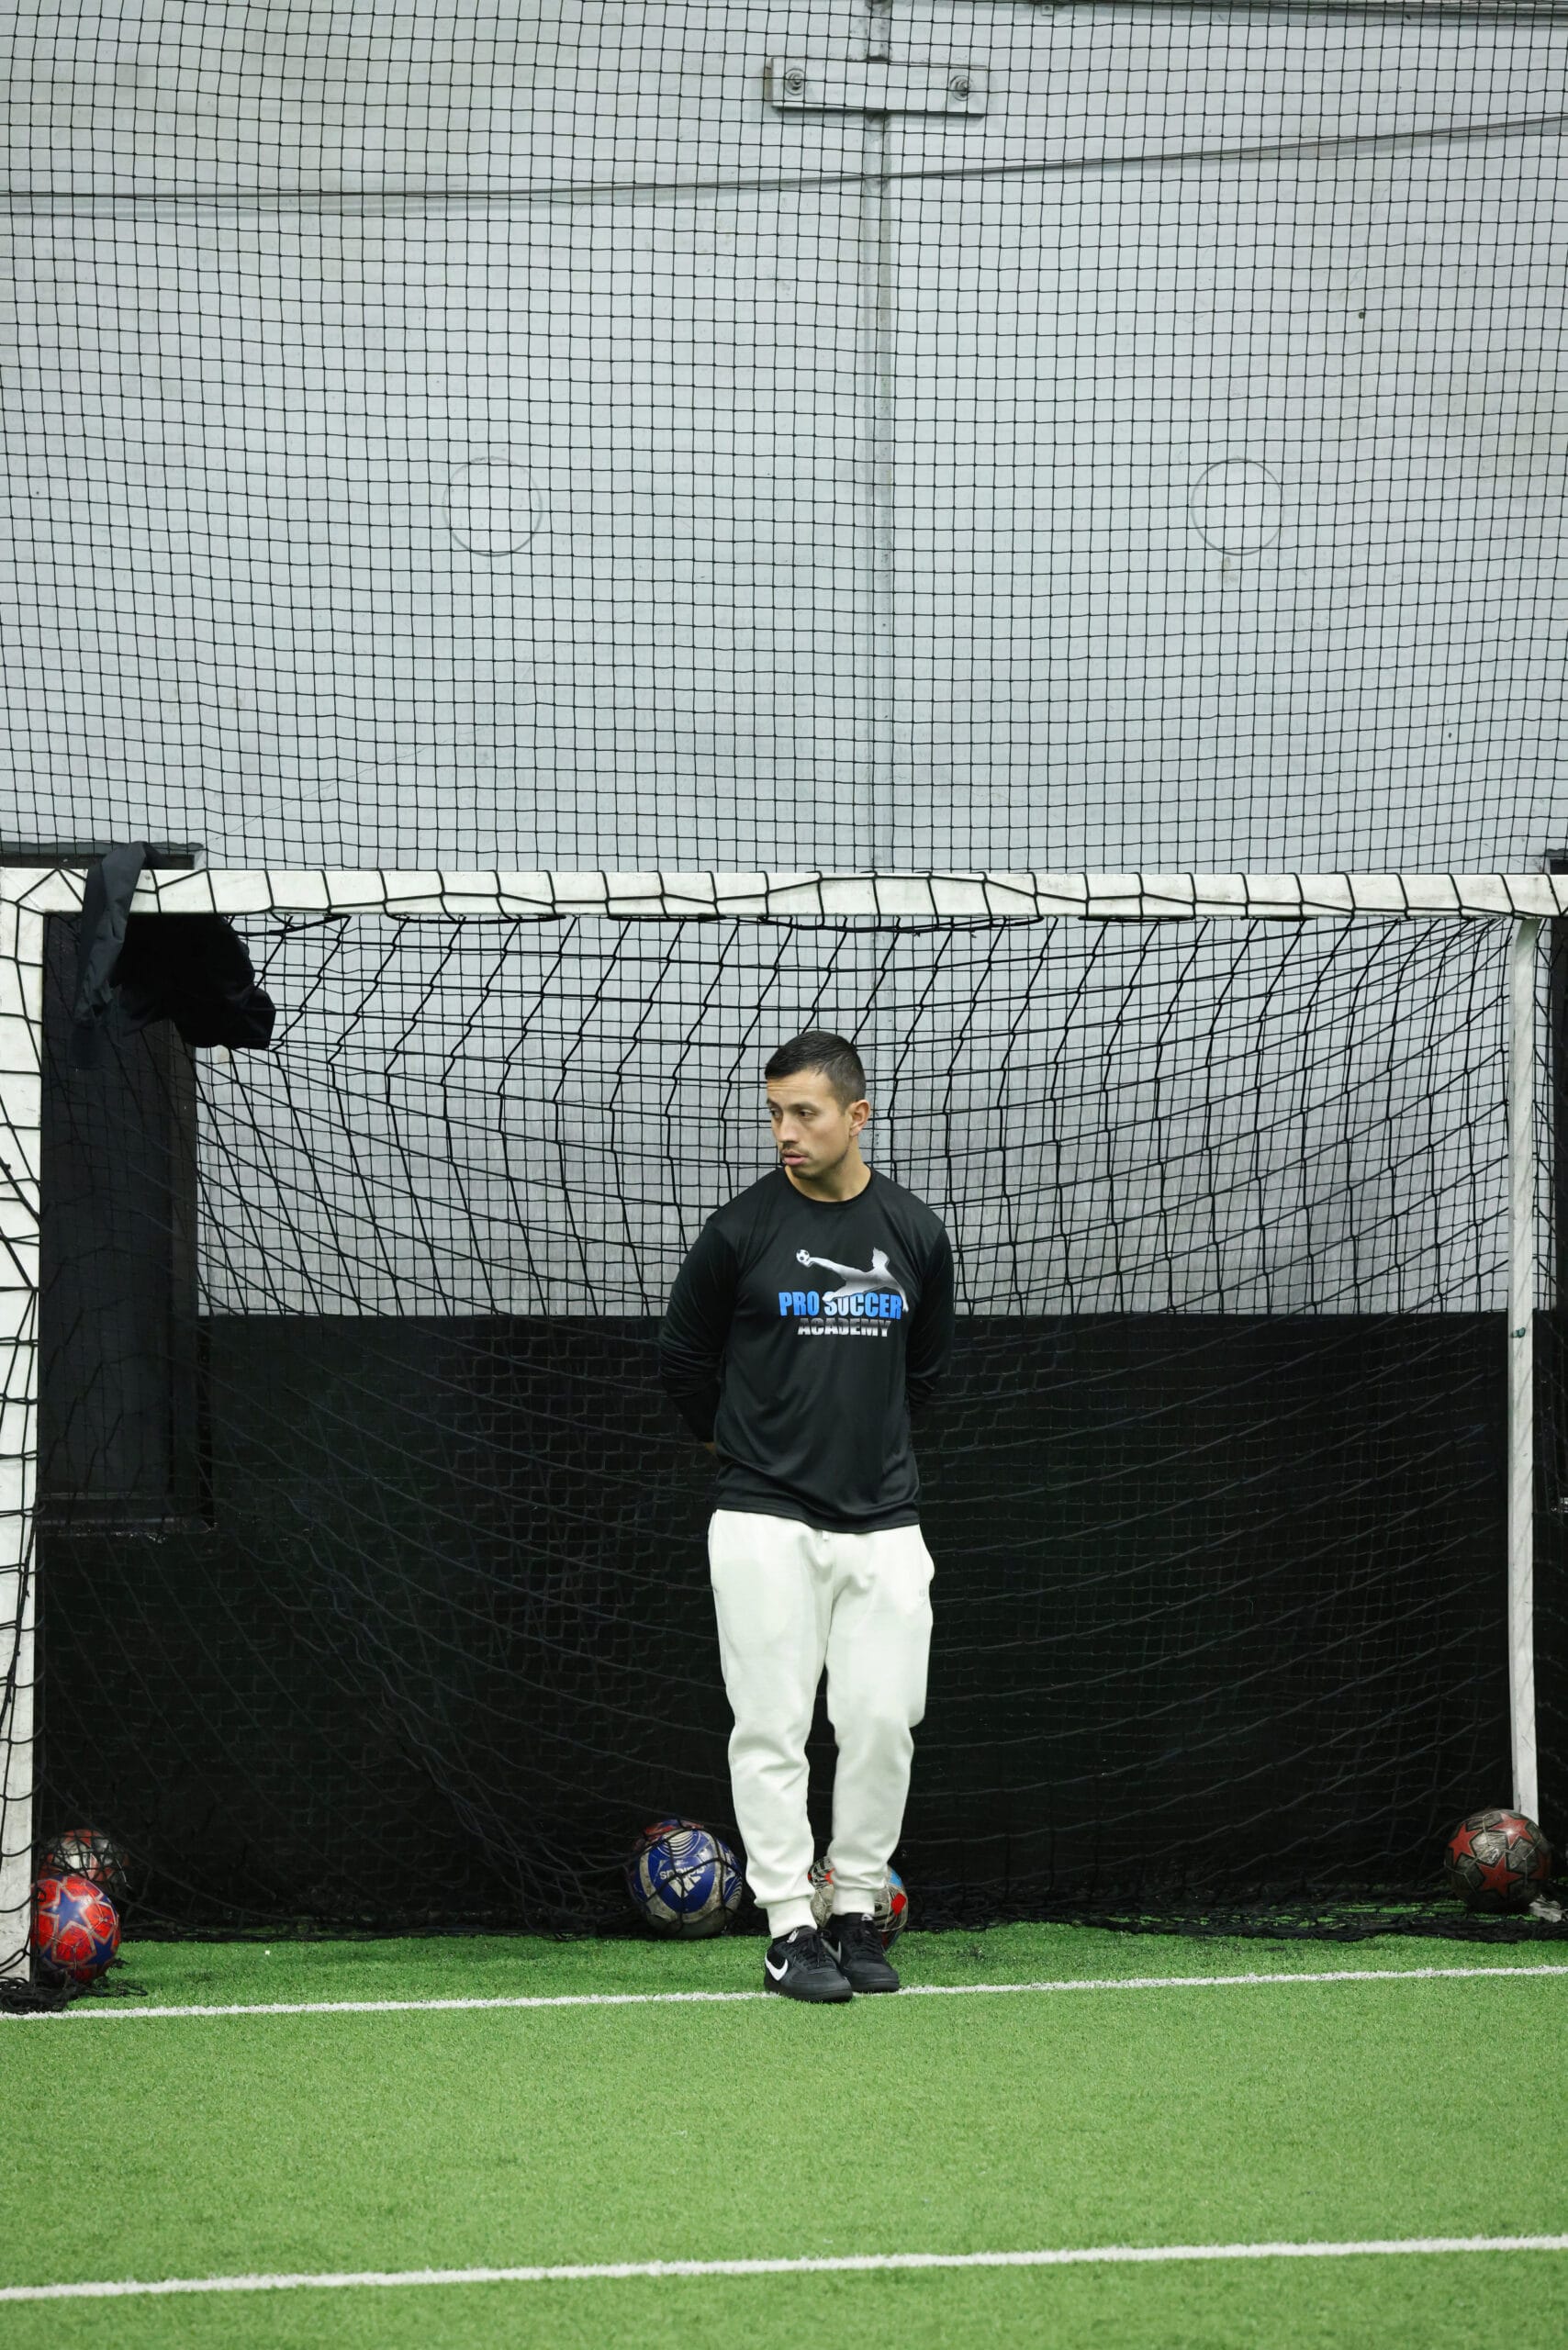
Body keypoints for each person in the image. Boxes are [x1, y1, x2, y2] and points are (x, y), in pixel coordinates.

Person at [659, 1031, 955, 2002]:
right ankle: (791, 1924)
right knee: (772, 1727)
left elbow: (930, 1373)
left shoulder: (913, 1232)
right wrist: (745, 1454)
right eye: (775, 1112)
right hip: (762, 1520)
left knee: (879, 1723)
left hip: (883, 1523)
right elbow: (683, 1361)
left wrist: (862, 1455)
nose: (785, 1131)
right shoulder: (738, 1231)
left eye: (805, 1113)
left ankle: (858, 1911)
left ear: (857, 1116)